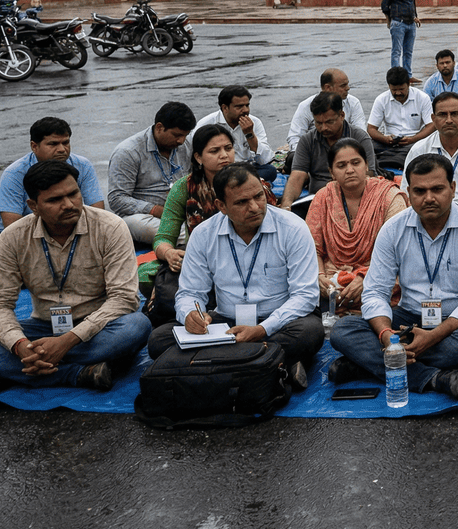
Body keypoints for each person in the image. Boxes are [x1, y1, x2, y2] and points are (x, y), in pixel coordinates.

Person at [0, 161, 150, 395]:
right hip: (41, 327)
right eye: (54, 200)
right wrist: (20, 346)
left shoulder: (110, 227)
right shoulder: (13, 237)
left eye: (74, 194)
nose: (69, 205)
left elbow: (123, 299)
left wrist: (66, 342)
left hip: (98, 328)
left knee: (137, 326)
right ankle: (77, 373)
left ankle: (8, 373)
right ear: (33, 206)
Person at [328, 154, 458, 398]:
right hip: (407, 318)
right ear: (408, 193)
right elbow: (375, 291)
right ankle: (434, 378)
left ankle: (365, 364)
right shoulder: (393, 229)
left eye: (437, 189)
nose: (429, 198)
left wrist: (432, 337)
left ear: (452, 188)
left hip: (455, 322)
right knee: (342, 330)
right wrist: (386, 335)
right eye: (420, 191)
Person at [150, 164, 324, 389]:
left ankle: (218, 364)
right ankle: (271, 362)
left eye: (258, 196)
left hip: (277, 322)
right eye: (242, 202)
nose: (254, 207)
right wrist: (191, 314)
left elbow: (305, 296)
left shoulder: (292, 228)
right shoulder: (204, 234)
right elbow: (191, 293)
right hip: (227, 324)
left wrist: (262, 329)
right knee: (158, 339)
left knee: (310, 332)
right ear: (221, 206)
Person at [306, 138, 408, 313]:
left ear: (366, 165)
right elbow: (311, 249)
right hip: (333, 281)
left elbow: (398, 253)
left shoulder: (389, 197)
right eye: (341, 165)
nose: (350, 170)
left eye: (355, 163)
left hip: (378, 277)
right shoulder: (323, 197)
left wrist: (364, 279)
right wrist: (319, 277)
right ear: (331, 172)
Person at [145, 124, 241, 300]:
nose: (224, 155)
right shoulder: (184, 188)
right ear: (198, 157)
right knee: (148, 278)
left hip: (247, 258)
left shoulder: (248, 182)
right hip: (202, 262)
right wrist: (169, 253)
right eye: (214, 151)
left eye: (228, 148)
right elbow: (164, 237)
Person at [108, 102, 196, 247]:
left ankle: (189, 236)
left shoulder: (186, 145)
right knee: (137, 224)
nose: (181, 141)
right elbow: (117, 199)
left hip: (182, 213)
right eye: (177, 135)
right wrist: (156, 210)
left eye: (185, 135)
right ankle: (194, 238)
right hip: (147, 217)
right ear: (160, 127)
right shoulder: (128, 152)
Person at [0, 117, 105, 227]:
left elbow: (98, 214)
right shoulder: (14, 174)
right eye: (53, 144)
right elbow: (13, 226)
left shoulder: (83, 165)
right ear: (34, 146)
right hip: (27, 234)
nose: (62, 149)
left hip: (69, 229)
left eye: (65, 142)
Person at [281, 92, 377, 207]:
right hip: (318, 200)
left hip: (355, 198)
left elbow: (368, 175)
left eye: (329, 122)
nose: (324, 128)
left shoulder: (360, 138)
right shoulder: (307, 140)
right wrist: (286, 205)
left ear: (342, 115)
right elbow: (297, 177)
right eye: (318, 123)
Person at [197, 85, 276, 182]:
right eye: (239, 107)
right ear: (225, 108)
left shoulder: (255, 122)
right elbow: (196, 157)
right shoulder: (207, 124)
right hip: (218, 170)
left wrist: (249, 134)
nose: (245, 110)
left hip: (245, 168)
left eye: (247, 105)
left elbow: (265, 160)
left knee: (270, 171)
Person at [287, 69, 368, 150]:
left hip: (347, 150)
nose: (348, 88)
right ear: (328, 87)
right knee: (292, 158)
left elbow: (361, 132)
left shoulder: (353, 103)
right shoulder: (305, 106)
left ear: (342, 115)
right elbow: (294, 137)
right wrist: (304, 154)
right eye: (343, 85)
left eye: (347, 84)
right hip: (315, 151)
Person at [381, 0, 419, 76]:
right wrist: (390, 18)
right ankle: (396, 76)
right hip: (398, 23)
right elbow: (384, 5)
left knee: (408, 52)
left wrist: (415, 16)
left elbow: (413, 4)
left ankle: (408, 75)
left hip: (411, 24)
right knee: (396, 51)